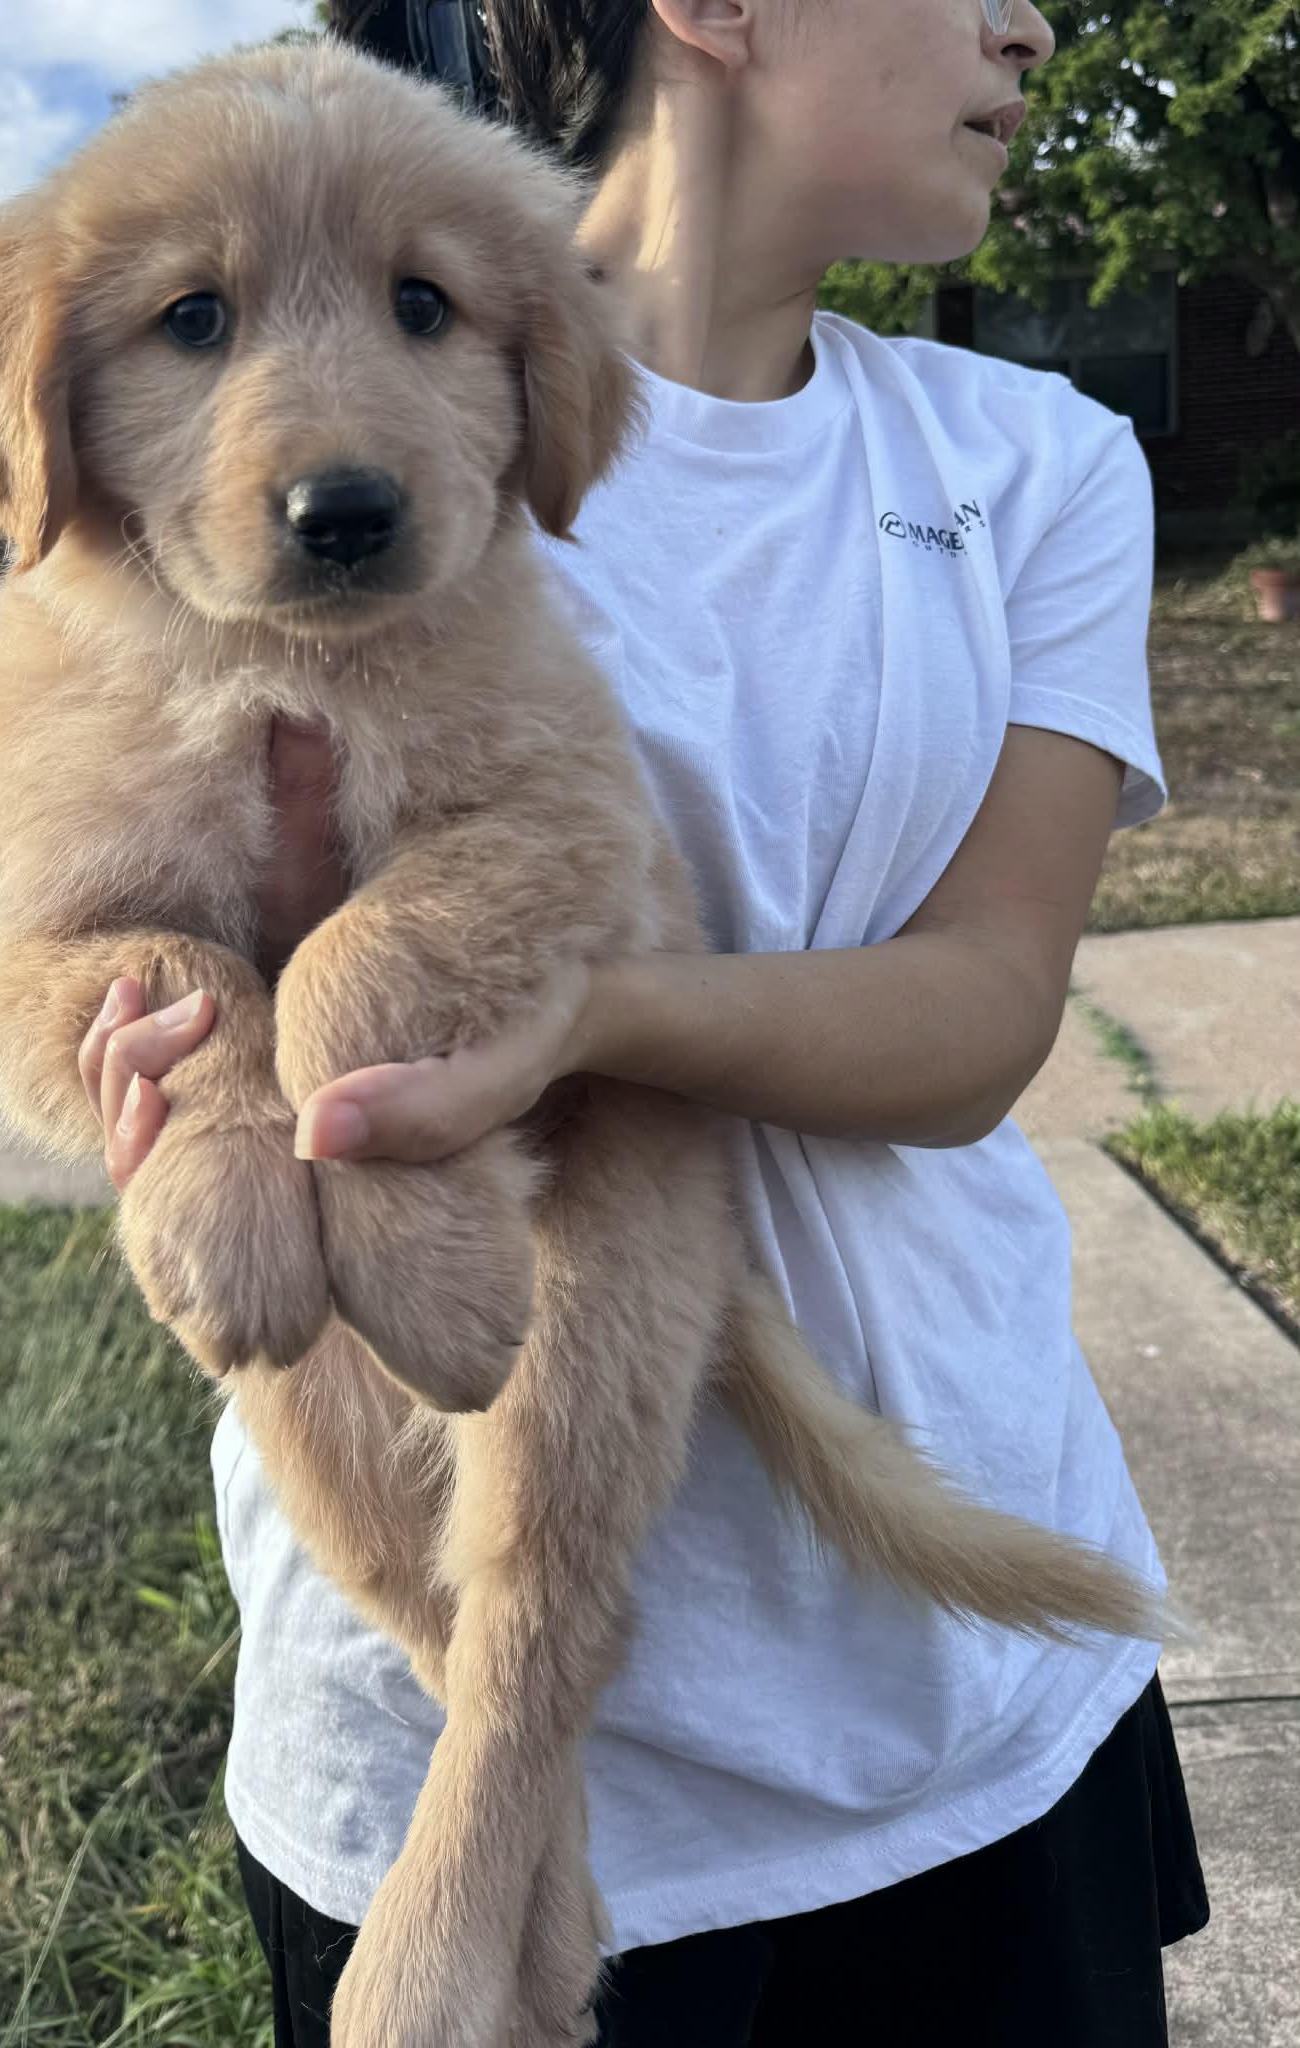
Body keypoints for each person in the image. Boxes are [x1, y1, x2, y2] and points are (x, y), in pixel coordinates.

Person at [76, 2, 1210, 2040]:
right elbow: (95, 866)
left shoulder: (1033, 462)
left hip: (949, 1697)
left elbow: (976, 1018)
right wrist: (168, 1045)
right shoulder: (297, 413)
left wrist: (584, 1017)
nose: (1032, 19)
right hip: (418, 1698)